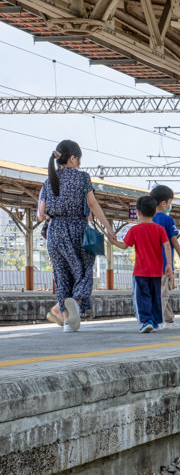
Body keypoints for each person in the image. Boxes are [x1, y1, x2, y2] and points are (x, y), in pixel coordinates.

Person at [37, 140, 116, 333]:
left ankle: (66, 321)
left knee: (61, 276)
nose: (79, 164)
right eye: (79, 159)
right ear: (72, 158)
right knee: (84, 270)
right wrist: (108, 228)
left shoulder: (49, 181)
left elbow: (41, 213)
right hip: (78, 229)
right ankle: (77, 300)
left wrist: (55, 215)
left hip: (55, 232)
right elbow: (93, 204)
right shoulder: (83, 178)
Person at [113, 194, 172, 333]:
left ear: (138, 212)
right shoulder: (160, 229)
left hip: (140, 272)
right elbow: (167, 246)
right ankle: (156, 322)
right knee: (155, 297)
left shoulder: (135, 230)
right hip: (157, 272)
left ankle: (146, 321)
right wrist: (168, 264)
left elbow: (123, 246)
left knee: (141, 297)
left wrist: (113, 241)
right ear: (154, 211)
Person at [151, 185, 180, 327]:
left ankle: (169, 318)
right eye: (170, 202)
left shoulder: (148, 220)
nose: (170, 206)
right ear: (164, 203)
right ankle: (157, 319)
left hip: (151, 265)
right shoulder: (167, 220)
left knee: (159, 292)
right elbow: (173, 240)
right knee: (164, 293)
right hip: (165, 264)